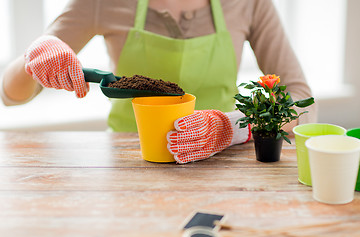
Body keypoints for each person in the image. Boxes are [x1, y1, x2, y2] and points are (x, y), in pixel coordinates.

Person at [0, 0, 317, 163]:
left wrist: (231, 127)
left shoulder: (248, 4)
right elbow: (10, 94)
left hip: (223, 166)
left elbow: (303, 101)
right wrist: (35, 53)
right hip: (130, 167)